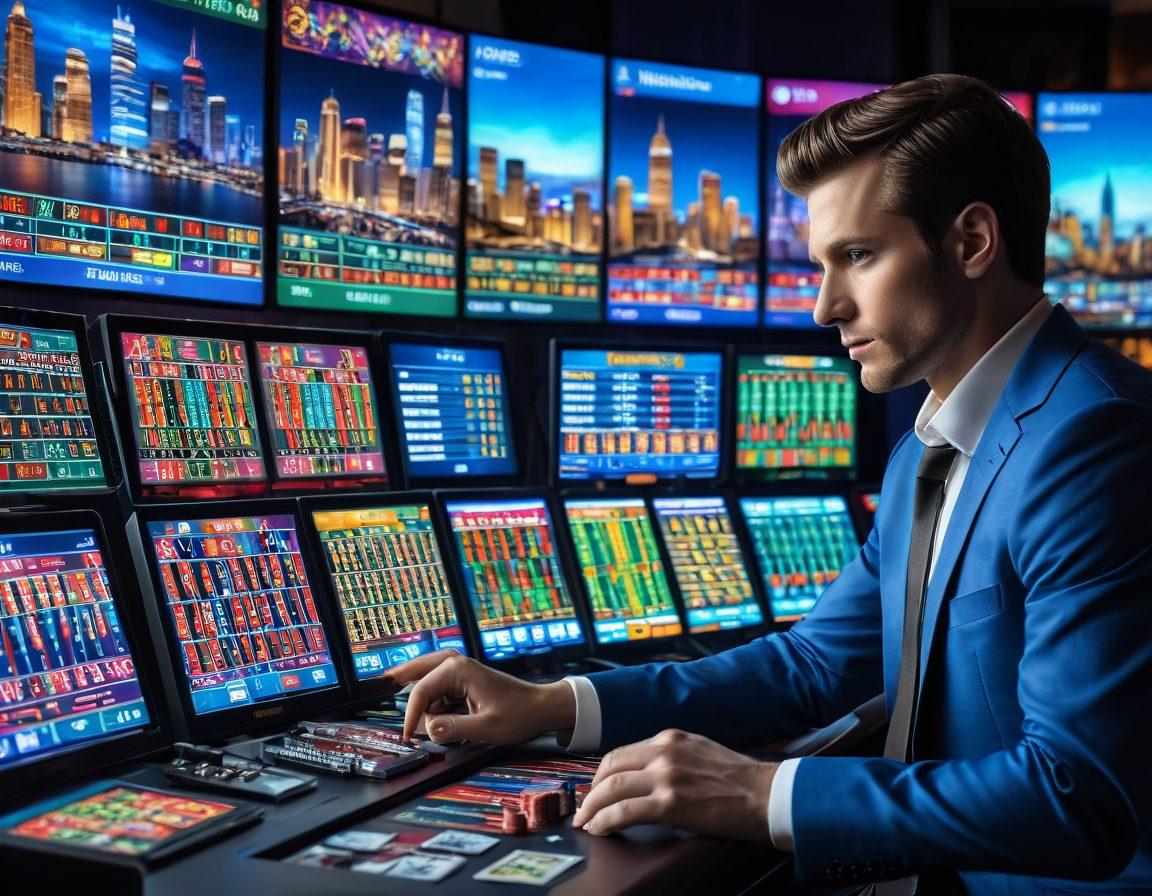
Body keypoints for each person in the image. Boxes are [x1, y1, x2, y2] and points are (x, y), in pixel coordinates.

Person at [385, 74, 1152, 895]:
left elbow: (1082, 798)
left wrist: (760, 792)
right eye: (823, 263)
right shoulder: (928, 445)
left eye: (858, 256)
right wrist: (553, 705)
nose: (825, 306)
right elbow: (815, 664)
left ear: (970, 242)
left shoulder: (1095, 439)